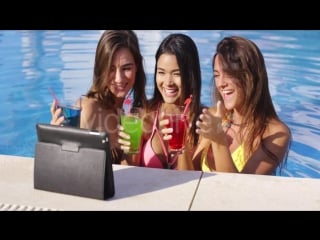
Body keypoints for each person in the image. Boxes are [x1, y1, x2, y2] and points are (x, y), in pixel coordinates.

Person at [192, 36, 291, 175]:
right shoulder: (215, 115)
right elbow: (191, 172)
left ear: (250, 76)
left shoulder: (275, 133)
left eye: (228, 74)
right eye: (216, 75)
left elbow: (238, 190)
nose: (220, 83)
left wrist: (219, 139)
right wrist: (181, 145)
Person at [50, 30, 147, 164]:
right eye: (111, 69)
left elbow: (126, 171)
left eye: (126, 68)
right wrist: (53, 140)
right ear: (100, 69)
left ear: (137, 67)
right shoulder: (88, 109)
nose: (119, 78)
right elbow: (66, 163)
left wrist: (131, 150)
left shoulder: (130, 113)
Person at [118, 33, 205, 170]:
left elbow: (192, 181)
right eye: (161, 72)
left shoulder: (203, 121)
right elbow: (128, 173)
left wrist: (182, 146)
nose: (168, 82)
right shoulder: (144, 114)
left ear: (191, 75)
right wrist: (130, 152)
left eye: (177, 73)